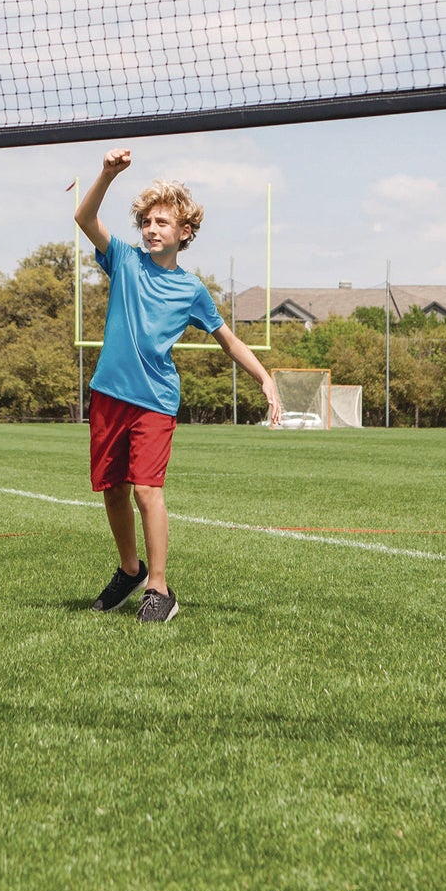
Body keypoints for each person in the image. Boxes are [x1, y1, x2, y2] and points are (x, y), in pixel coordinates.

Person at [75, 147, 283, 623]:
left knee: (147, 491)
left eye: (162, 222)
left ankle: (160, 589)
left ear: (184, 232)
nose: (151, 228)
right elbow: (84, 217)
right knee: (112, 489)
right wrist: (107, 174)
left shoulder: (191, 289)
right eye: (146, 221)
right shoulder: (124, 261)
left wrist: (266, 379)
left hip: (155, 402)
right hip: (109, 394)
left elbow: (229, 341)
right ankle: (130, 570)